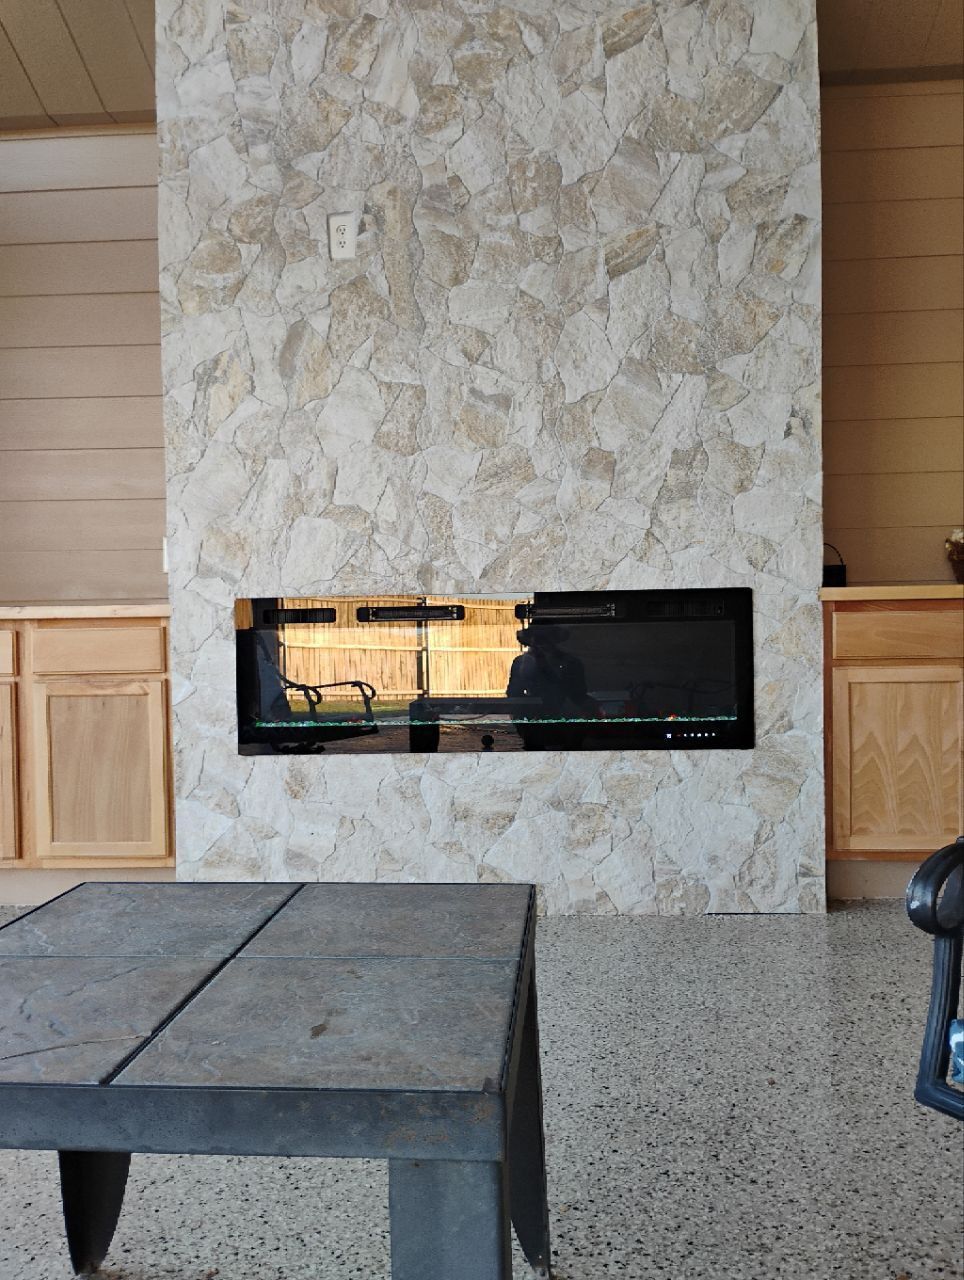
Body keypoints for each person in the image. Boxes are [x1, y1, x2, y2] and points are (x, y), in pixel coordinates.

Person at [506, 625, 596, 749]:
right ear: (530, 640)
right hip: (533, 725)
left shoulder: (570, 662)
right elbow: (514, 695)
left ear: (554, 640)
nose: (540, 644)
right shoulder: (521, 663)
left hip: (567, 725)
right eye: (536, 639)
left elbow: (578, 694)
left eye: (545, 639)